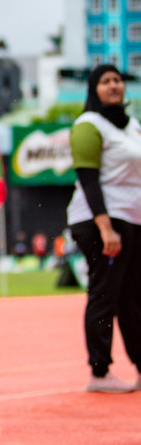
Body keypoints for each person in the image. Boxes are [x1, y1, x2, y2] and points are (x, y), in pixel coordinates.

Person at [67, 64, 141, 392]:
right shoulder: (88, 124)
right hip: (100, 220)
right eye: (105, 81)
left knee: (133, 297)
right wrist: (105, 227)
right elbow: (87, 178)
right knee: (105, 294)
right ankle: (99, 372)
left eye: (118, 80)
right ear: (93, 89)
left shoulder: (132, 126)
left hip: (132, 218)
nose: (114, 85)